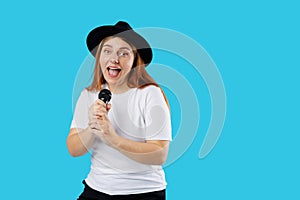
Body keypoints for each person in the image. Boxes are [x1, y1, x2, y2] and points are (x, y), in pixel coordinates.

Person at [67, 21, 172, 200]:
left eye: (123, 53)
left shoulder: (150, 94)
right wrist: (92, 128)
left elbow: (159, 154)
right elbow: (74, 149)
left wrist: (112, 138)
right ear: (99, 57)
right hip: (96, 189)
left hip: (143, 193)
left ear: (134, 61)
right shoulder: (88, 94)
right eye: (107, 51)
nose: (114, 59)